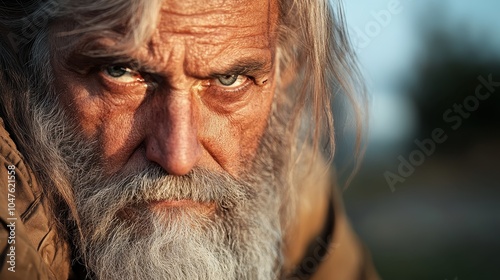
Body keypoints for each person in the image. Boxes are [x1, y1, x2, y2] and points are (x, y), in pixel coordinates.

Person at [0, 0, 379, 279]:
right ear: (25, 59)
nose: (178, 156)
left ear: (283, 75)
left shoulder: (293, 193)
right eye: (119, 72)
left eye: (229, 80)